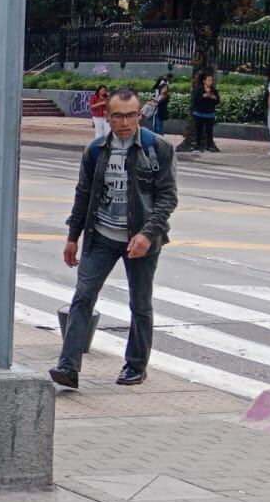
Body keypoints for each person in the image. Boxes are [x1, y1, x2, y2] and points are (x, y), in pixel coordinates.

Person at [51, 87, 178, 389]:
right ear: (106, 116)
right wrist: (73, 236)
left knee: (140, 303)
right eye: (118, 116)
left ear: (140, 115)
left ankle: (136, 366)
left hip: (141, 240)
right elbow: (83, 196)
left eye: (131, 115)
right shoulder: (95, 151)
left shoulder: (157, 148)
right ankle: (68, 366)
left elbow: (167, 198)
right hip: (102, 235)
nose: (124, 122)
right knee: (82, 297)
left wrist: (148, 234)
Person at [190, 72, 220, 153]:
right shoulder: (199, 90)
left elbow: (218, 101)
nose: (211, 82)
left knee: (209, 131)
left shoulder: (214, 90)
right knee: (198, 131)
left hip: (210, 114)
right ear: (204, 81)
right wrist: (203, 96)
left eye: (211, 80)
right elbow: (195, 100)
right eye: (209, 80)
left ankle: (208, 147)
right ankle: (197, 147)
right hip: (199, 113)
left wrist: (214, 98)